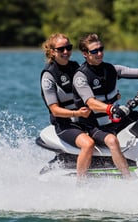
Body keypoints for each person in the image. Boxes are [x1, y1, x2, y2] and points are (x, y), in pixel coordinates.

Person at [73, 33, 138, 179]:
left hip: (116, 117)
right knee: (112, 141)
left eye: (101, 49)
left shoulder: (111, 69)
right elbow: (91, 102)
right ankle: (128, 179)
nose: (99, 53)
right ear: (85, 54)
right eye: (94, 51)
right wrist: (111, 108)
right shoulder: (80, 77)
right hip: (95, 125)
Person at [40, 33, 94, 179]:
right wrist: (77, 114)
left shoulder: (76, 67)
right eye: (61, 49)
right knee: (88, 144)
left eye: (68, 47)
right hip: (65, 124)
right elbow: (55, 110)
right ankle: (81, 184)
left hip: (85, 119)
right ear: (52, 52)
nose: (65, 52)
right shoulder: (49, 76)